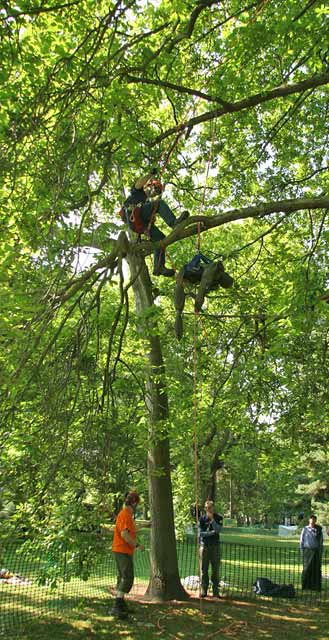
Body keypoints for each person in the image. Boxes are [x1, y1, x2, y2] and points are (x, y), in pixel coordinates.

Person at [120, 169, 189, 277]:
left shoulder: (147, 203)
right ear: (149, 186)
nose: (156, 192)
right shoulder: (138, 193)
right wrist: (150, 174)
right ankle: (174, 223)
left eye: (158, 192)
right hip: (133, 215)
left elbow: (149, 217)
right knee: (160, 203)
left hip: (141, 224)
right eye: (156, 188)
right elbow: (139, 183)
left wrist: (148, 227)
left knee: (160, 239)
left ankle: (158, 267)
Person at [174, 252, 234, 339]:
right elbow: (203, 288)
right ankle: (178, 333)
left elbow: (203, 291)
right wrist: (197, 305)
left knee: (179, 307)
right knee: (178, 308)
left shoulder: (215, 276)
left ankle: (178, 333)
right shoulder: (212, 273)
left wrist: (197, 301)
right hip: (186, 273)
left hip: (190, 277)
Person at [110, 491, 144, 619]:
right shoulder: (125, 514)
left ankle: (121, 604)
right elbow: (124, 534)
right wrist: (137, 545)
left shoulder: (127, 515)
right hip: (122, 550)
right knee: (127, 578)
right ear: (134, 503)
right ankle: (117, 607)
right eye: (137, 504)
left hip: (123, 550)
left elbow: (129, 530)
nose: (138, 507)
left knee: (123, 577)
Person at [198, 499, 223, 598]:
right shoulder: (201, 519)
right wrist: (212, 533)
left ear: (213, 508)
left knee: (215, 570)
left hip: (215, 547)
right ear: (205, 508)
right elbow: (200, 534)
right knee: (203, 570)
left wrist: (212, 521)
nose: (209, 509)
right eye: (207, 508)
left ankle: (216, 591)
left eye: (210, 508)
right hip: (204, 547)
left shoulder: (219, 517)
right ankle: (204, 590)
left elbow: (218, 529)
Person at [300, 514, 323, 591]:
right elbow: (301, 541)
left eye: (314, 519)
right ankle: (305, 586)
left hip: (316, 551)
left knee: (316, 569)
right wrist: (302, 551)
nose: (312, 521)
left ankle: (315, 586)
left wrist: (320, 552)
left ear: (315, 521)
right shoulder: (305, 529)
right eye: (311, 519)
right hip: (307, 551)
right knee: (306, 569)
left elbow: (321, 542)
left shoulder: (319, 530)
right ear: (309, 520)